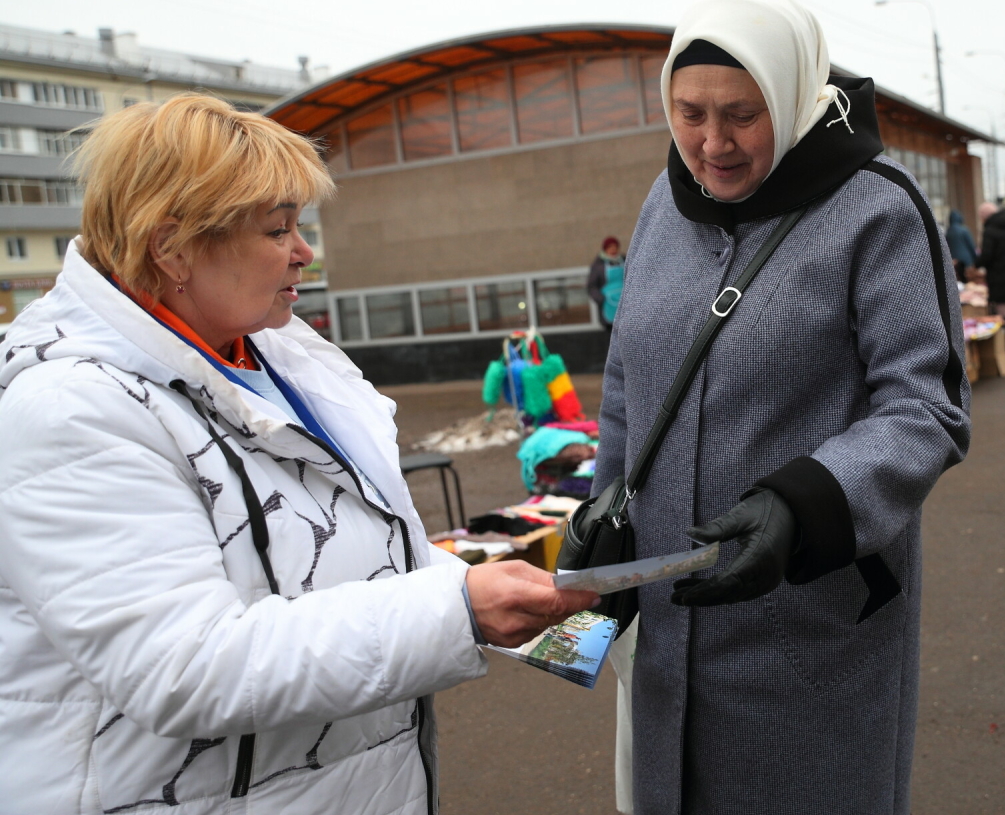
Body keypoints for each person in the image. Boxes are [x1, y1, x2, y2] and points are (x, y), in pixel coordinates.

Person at [0, 94, 598, 815]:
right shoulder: (72, 410)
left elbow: (362, 543)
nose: (304, 251)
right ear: (173, 246)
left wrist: (491, 584)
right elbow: (183, 665)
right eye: (278, 228)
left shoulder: (278, 352)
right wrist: (454, 611)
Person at [595, 0, 970, 815]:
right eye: (688, 112)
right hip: (668, 620)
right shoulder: (665, 204)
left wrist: (810, 504)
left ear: (795, 95)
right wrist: (603, 507)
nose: (711, 143)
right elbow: (627, 380)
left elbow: (927, 406)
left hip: (804, 624)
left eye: (742, 114)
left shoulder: (878, 208)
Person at [586, 235, 626, 334]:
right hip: (608, 305)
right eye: (610, 247)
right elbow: (592, 286)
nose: (613, 250)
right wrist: (601, 299)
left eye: (615, 247)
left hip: (624, 302)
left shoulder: (625, 261)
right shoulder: (598, 265)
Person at [945, 208, 978, 281]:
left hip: (954, 262)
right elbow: (971, 245)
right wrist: (976, 259)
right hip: (966, 261)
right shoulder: (964, 230)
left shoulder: (948, 232)